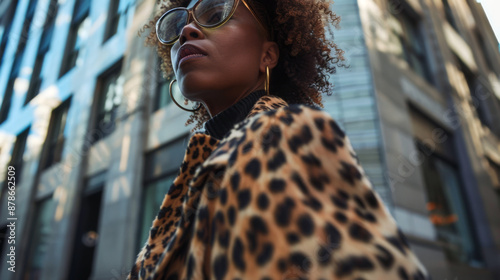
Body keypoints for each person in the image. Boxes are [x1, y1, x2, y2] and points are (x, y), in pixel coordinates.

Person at [128, 0, 430, 279]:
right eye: (178, 26)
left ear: (267, 55)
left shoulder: (292, 131)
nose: (186, 31)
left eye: (216, 15)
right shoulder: (197, 170)